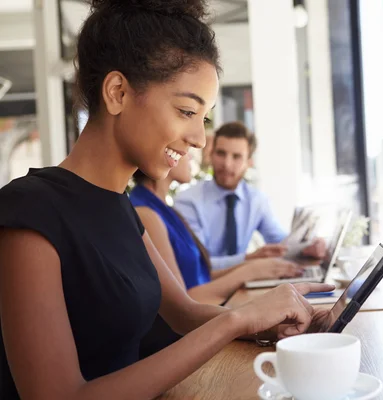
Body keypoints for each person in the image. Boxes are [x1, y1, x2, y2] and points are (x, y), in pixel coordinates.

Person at [0, 1, 333, 398]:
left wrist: (267, 322)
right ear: (118, 92)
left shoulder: (121, 207)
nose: (200, 139)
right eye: (186, 111)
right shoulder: (28, 212)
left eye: (203, 118)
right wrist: (235, 322)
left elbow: (184, 314)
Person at [130, 154, 304, 305]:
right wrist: (251, 271)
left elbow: (200, 277)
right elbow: (182, 303)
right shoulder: (147, 214)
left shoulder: (164, 208)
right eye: (186, 151)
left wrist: (255, 265)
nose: (190, 156)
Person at [175, 121, 326, 270]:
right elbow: (196, 263)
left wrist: (307, 247)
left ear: (249, 162)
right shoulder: (188, 201)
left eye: (236, 157)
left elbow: (281, 243)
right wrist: (249, 259)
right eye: (221, 153)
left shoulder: (256, 200)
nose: (227, 164)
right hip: (201, 287)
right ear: (211, 154)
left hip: (243, 285)